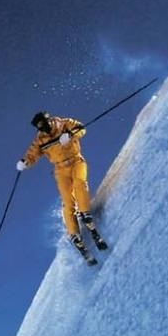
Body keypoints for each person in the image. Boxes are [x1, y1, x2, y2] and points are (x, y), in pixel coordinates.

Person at [17, 112, 107, 263]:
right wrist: (25, 162)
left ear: (49, 120)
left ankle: (85, 213)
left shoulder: (64, 123)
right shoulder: (40, 139)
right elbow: (32, 153)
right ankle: (74, 233)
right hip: (60, 169)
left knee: (79, 183)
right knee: (67, 200)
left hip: (76, 161)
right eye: (39, 127)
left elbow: (81, 128)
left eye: (44, 124)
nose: (44, 128)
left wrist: (70, 134)